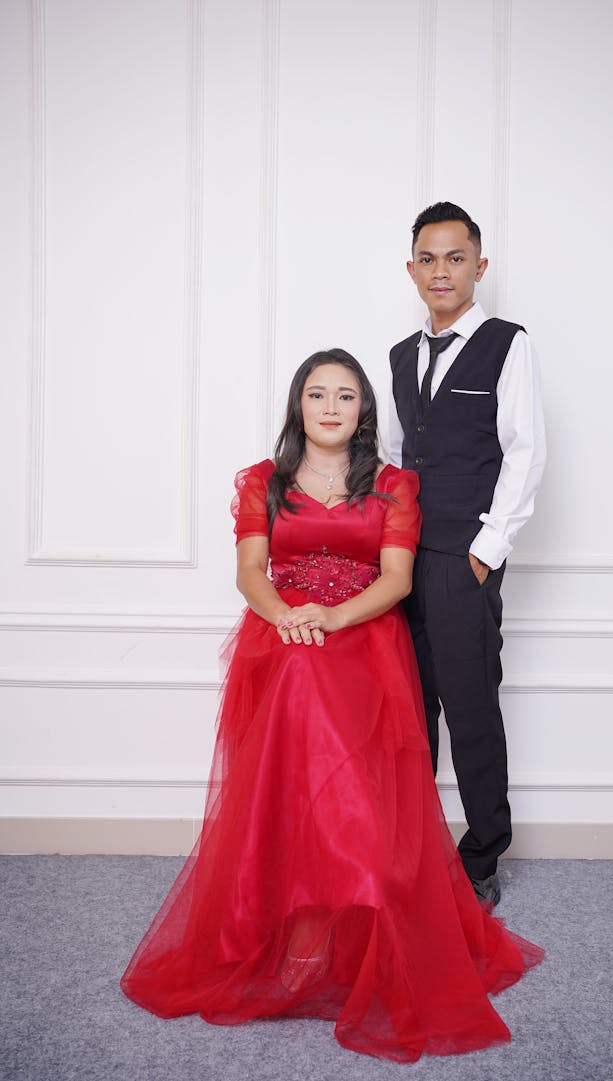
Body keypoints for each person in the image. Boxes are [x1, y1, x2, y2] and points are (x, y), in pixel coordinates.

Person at [120, 348, 542, 1062]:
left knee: (320, 689)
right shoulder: (263, 480)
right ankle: (293, 921)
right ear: (298, 406)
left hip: (362, 632)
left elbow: (397, 578)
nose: (330, 407)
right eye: (317, 394)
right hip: (283, 630)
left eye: (345, 396)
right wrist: (288, 616)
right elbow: (250, 571)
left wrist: (332, 617)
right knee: (296, 680)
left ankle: (348, 918)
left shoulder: (392, 485)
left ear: (363, 411)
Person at [388, 202, 546, 906]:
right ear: (412, 268)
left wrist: (484, 550)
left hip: (463, 558)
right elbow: (392, 458)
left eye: (456, 258)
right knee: (407, 708)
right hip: (401, 561)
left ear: (479, 267)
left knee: (471, 705)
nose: (441, 270)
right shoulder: (398, 356)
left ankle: (482, 854)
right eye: (429, 257)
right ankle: (412, 846)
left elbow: (526, 450)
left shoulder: (506, 344)